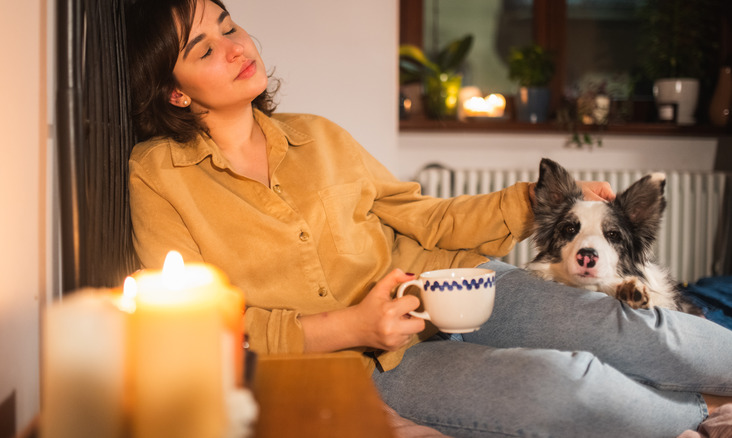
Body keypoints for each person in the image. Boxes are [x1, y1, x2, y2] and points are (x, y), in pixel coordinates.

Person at [125, 0, 732, 436]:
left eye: (229, 24)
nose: (235, 47)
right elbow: (212, 325)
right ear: (175, 92)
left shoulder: (317, 136)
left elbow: (425, 217)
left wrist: (531, 202)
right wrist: (354, 327)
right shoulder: (158, 175)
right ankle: (701, 412)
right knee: (562, 383)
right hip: (373, 365)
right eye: (204, 47)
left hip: (456, 285)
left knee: (621, 327)